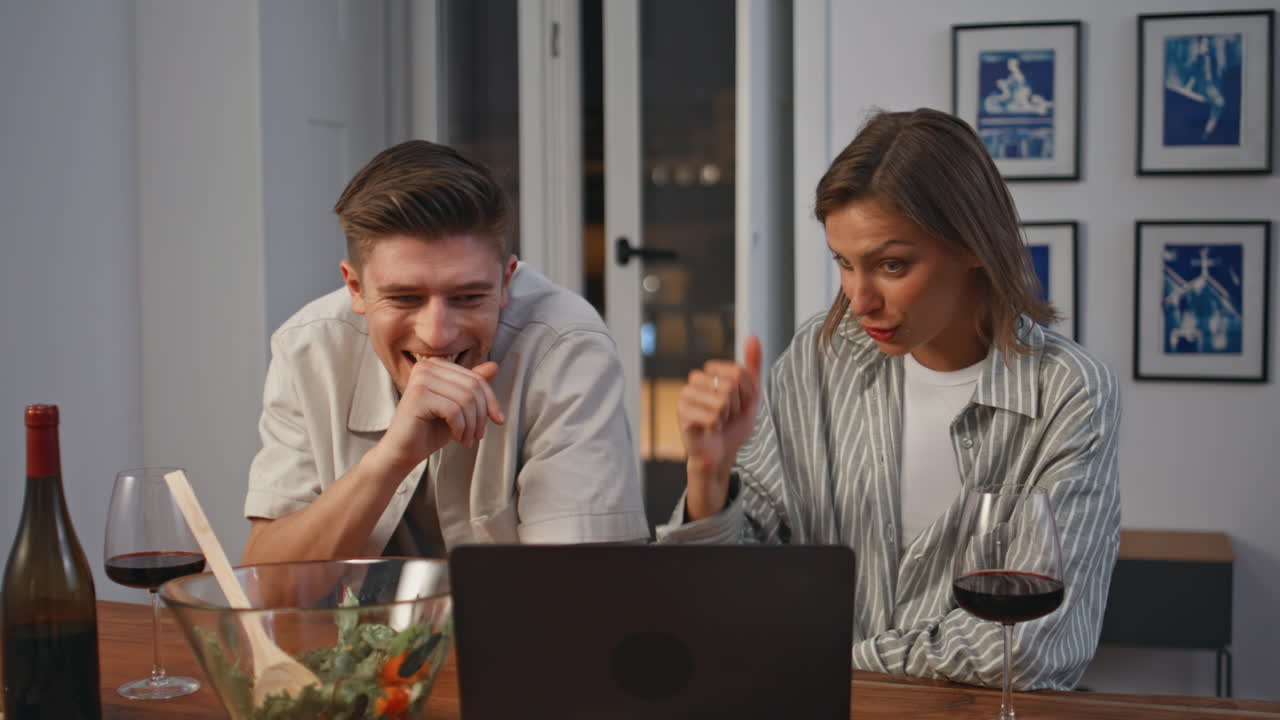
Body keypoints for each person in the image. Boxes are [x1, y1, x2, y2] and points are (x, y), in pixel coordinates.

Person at [658, 108, 1119, 691]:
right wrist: (709, 474)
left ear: (974, 244)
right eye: (844, 263)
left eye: (891, 265)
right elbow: (726, 591)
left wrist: (823, 660)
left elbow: (1027, 647)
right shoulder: (819, 358)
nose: (859, 300)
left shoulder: (1069, 390)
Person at [242, 140, 648, 564]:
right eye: (404, 298)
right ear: (355, 288)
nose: (436, 336)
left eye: (469, 297)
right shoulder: (308, 348)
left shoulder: (564, 344)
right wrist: (391, 460)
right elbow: (267, 584)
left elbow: (578, 583)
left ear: (506, 282)